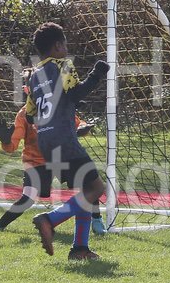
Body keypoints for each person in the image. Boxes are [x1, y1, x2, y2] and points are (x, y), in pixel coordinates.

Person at [25, 22, 109, 261]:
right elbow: (76, 93)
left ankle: (80, 248)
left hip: (45, 141)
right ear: (57, 46)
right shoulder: (63, 65)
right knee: (96, 189)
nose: (66, 49)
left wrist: (63, 106)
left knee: (86, 191)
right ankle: (50, 220)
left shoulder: (34, 76)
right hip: (64, 138)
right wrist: (97, 74)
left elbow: (30, 115)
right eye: (64, 45)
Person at [0, 91, 107, 234]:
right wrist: (6, 141)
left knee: (89, 184)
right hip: (36, 161)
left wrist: (82, 128)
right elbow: (11, 147)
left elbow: (78, 124)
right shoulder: (24, 114)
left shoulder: (58, 107)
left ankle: (97, 219)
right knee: (28, 197)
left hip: (62, 156)